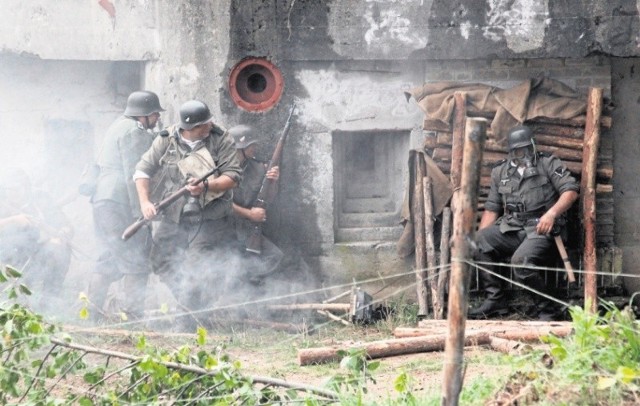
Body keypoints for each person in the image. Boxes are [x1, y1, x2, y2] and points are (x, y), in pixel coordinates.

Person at [134, 99, 242, 329]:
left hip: (210, 216)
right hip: (174, 214)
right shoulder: (166, 140)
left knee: (198, 266)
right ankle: (192, 308)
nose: (210, 125)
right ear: (190, 129)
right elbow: (142, 171)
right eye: (205, 124)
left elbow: (232, 176)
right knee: (161, 260)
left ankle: (187, 321)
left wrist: (206, 186)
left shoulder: (221, 138)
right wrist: (145, 203)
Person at [468, 125, 579, 321]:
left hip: (543, 230)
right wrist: (479, 246)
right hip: (512, 227)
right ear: (511, 152)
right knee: (478, 241)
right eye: (518, 150)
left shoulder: (548, 163)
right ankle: (495, 300)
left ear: (533, 146)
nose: (524, 154)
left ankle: (547, 309)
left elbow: (570, 191)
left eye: (527, 148)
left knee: (521, 262)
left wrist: (551, 214)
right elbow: (492, 209)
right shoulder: (500, 172)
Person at [87, 90, 164, 321]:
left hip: (104, 203)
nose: (157, 119)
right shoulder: (134, 131)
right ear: (145, 115)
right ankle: (133, 319)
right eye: (155, 114)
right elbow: (136, 173)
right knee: (136, 261)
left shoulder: (118, 125)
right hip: (119, 203)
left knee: (110, 257)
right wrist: (141, 210)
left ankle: (91, 314)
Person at [0, 168, 73, 312]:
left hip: (35, 255)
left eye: (16, 189)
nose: (12, 194)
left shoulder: (40, 200)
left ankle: (49, 301)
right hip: (5, 258)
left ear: (26, 188)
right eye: (9, 190)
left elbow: (66, 226)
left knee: (58, 249)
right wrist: (13, 220)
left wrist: (61, 235)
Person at [228, 125, 284, 284]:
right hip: (225, 227)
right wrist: (250, 214)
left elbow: (268, 200)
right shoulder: (220, 171)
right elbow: (221, 203)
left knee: (274, 256)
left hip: (246, 229)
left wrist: (272, 182)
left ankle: (246, 284)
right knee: (225, 263)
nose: (255, 148)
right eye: (250, 145)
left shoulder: (259, 168)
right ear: (240, 148)